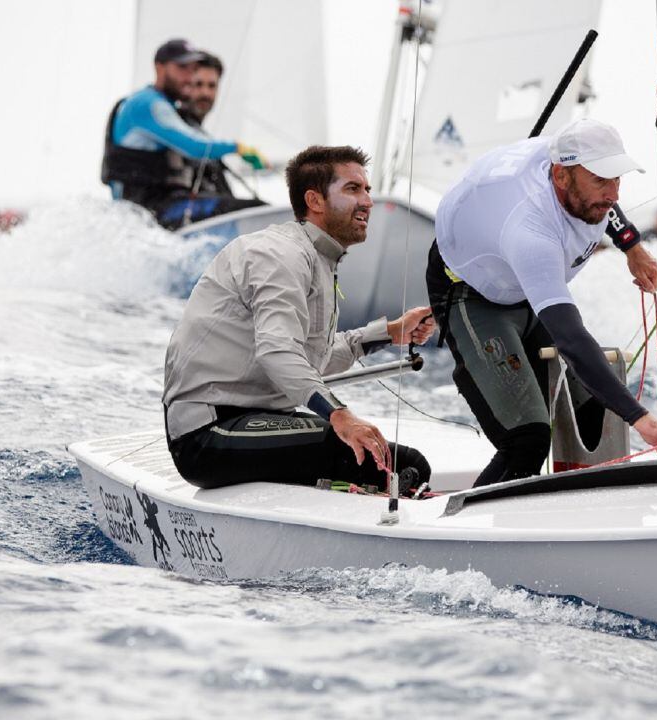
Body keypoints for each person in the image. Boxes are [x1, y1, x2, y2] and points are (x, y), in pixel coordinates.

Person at [163, 145, 435, 492]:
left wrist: (390, 333)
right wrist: (340, 415)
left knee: (399, 461)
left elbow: (311, 361)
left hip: (256, 420)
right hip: (208, 433)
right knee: (385, 460)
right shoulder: (281, 254)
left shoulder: (317, 257)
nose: (367, 201)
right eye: (353, 189)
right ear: (315, 200)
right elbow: (278, 353)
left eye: (366, 190)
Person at [427, 118, 657, 488]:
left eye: (617, 179)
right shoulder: (531, 232)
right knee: (527, 440)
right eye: (600, 180)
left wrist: (632, 247)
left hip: (519, 284)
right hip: (469, 292)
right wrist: (641, 419)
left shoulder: (574, 173)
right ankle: (461, 529)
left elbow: (605, 202)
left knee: (591, 413)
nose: (613, 194)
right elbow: (571, 339)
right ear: (560, 177)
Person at [101, 38, 266, 230]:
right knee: (256, 210)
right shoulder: (148, 104)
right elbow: (196, 147)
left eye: (192, 69)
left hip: (155, 212)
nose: (189, 77)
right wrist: (238, 147)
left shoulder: (162, 106)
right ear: (160, 68)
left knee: (244, 207)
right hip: (151, 212)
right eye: (182, 68)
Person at [177, 53, 243, 200]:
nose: (205, 93)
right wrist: (238, 148)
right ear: (186, 86)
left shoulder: (201, 135)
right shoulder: (174, 127)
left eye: (211, 86)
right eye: (198, 84)